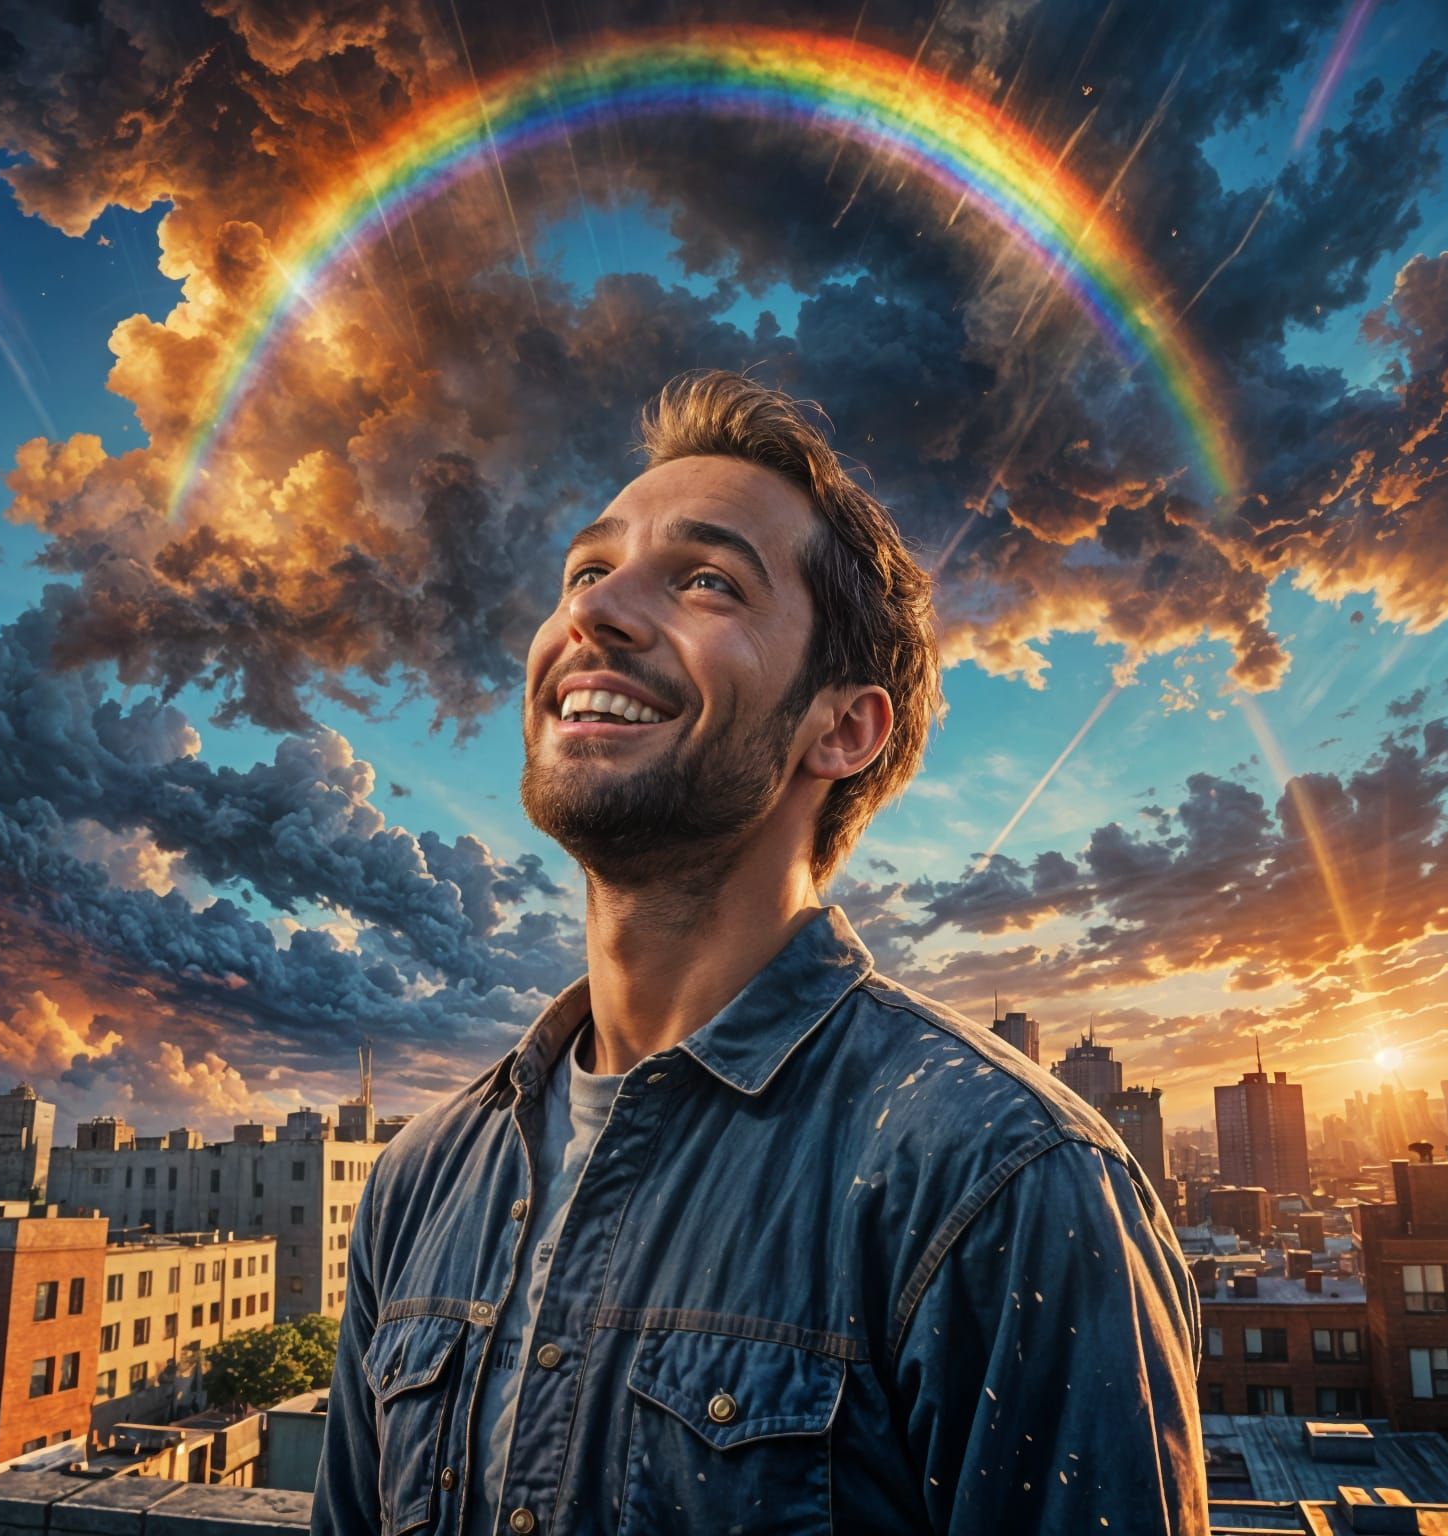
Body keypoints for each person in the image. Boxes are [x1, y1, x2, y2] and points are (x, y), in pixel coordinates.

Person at [313, 370, 1206, 1535]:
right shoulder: (422, 1181)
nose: (596, 612)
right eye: (586, 571)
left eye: (705, 580)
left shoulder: (1004, 1183)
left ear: (841, 726)